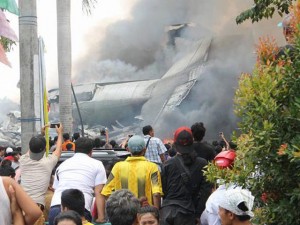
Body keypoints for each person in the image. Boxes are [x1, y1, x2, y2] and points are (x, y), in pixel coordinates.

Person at [99, 135, 163, 223]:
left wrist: (120, 208)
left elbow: (106, 192)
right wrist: (156, 213)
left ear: (128, 149)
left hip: (125, 217)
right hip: (145, 218)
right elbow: (156, 193)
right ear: (144, 149)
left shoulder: (118, 167)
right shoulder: (152, 167)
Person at [49, 137, 107, 225]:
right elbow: (99, 192)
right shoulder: (97, 165)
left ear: (74, 150)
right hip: (80, 211)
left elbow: (56, 190)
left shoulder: (63, 165)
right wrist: (101, 218)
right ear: (91, 152)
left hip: (56, 208)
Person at [160, 126, 212, 225]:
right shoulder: (202, 163)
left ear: (175, 143)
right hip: (188, 213)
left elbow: (163, 189)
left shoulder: (167, 164)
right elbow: (206, 192)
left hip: (167, 212)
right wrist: (198, 214)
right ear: (192, 142)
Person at [19, 123, 63, 225]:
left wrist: (40, 136)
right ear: (45, 149)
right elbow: (59, 149)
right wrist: (60, 133)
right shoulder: (48, 163)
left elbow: (32, 148)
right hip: (36, 208)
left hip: (21, 206)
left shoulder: (23, 160)